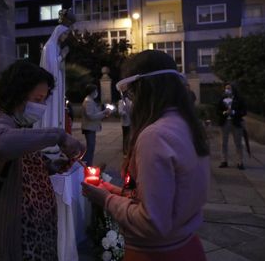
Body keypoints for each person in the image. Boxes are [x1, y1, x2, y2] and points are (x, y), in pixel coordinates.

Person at [82, 50, 210, 261]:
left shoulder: (155, 136)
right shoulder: (186, 124)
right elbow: (164, 197)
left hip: (156, 253)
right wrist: (114, 190)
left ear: (144, 91)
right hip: (187, 246)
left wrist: (106, 199)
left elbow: (152, 223)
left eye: (129, 94)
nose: (128, 102)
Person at [0, 60, 85, 261]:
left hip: (34, 236)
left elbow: (19, 165)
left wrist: (49, 167)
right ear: (17, 94)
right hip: (14, 237)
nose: (42, 106)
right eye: (38, 99)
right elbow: (0, 144)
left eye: (44, 100)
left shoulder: (16, 124)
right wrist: (58, 136)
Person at [39, 24, 71, 129]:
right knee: (52, 106)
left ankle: (56, 128)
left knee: (57, 107)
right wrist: (63, 55)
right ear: (58, 33)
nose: (66, 36)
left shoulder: (56, 46)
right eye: (65, 34)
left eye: (67, 34)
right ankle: (50, 128)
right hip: (52, 82)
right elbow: (52, 65)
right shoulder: (49, 46)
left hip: (58, 80)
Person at [217, 83, 247, 170]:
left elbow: (244, 111)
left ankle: (240, 162)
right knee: (223, 143)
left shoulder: (239, 99)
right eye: (226, 88)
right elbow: (217, 110)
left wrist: (233, 112)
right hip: (224, 122)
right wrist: (224, 113)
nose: (227, 90)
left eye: (229, 88)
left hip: (236, 122)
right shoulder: (222, 99)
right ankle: (224, 161)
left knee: (238, 143)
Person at [81, 84, 111, 166]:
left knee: (91, 147)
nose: (96, 93)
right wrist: (104, 112)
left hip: (91, 127)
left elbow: (95, 114)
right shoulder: (88, 101)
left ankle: (88, 165)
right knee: (90, 148)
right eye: (95, 91)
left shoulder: (90, 101)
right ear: (92, 92)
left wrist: (104, 113)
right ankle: (84, 164)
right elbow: (91, 116)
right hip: (89, 127)